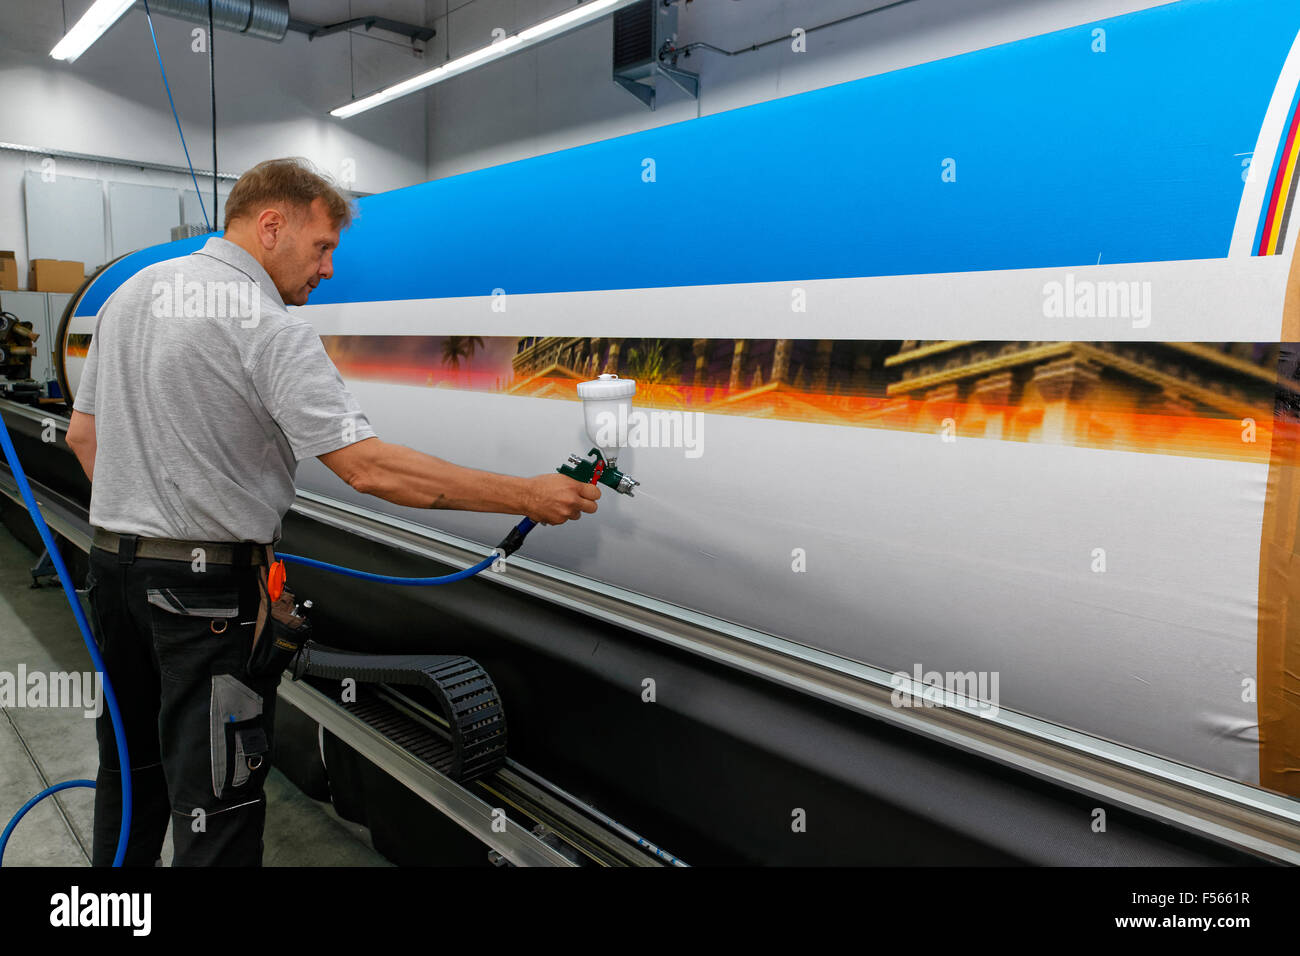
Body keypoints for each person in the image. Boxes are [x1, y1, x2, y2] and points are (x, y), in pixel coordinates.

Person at [63, 157, 598, 866]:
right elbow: (369, 468)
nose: (329, 269)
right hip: (205, 605)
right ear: (272, 225)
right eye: (323, 248)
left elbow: (82, 436)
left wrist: (151, 519)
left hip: (114, 576)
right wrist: (527, 495)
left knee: (133, 778)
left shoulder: (134, 294)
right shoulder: (268, 326)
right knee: (218, 800)